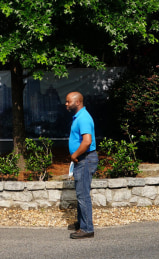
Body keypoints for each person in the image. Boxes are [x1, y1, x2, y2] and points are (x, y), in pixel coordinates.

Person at [65, 91, 98, 239]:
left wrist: (74, 155)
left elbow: (87, 141)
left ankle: (87, 228)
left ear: (77, 102)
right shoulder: (79, 117)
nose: (66, 104)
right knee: (81, 193)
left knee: (83, 195)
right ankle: (81, 223)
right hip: (83, 159)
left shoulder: (83, 118)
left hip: (85, 159)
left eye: (68, 102)